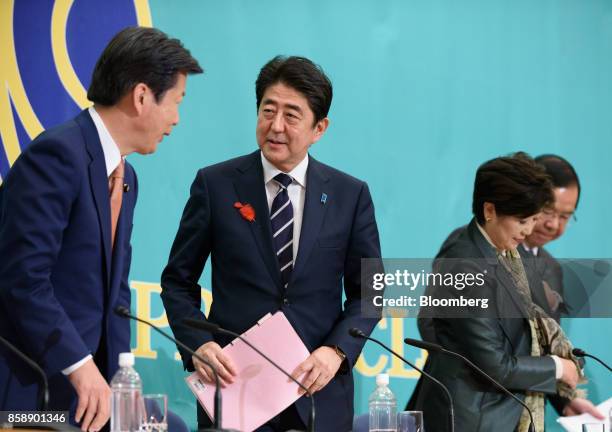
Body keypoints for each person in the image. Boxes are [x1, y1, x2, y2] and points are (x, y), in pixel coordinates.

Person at [161, 55, 381, 431]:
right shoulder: (216, 185)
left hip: (318, 396)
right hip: (234, 391)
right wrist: (199, 343)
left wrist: (336, 351)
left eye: (291, 115)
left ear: (319, 127)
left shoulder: (350, 195)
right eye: (268, 111)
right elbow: (177, 282)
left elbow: (371, 292)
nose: (275, 126)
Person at [0, 26, 202, 431]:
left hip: (92, 392)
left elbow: (116, 296)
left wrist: (121, 381)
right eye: (176, 102)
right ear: (142, 96)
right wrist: (79, 366)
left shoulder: (125, 178)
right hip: (32, 391)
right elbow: (23, 279)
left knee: (168, 425)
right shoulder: (58, 155)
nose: (177, 119)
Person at [409, 153, 590, 432]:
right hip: (470, 417)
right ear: (490, 210)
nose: (531, 229)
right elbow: (493, 364)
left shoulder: (527, 261)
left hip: (510, 413)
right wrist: (555, 367)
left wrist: (564, 400)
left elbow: (528, 346)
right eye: (525, 220)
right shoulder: (466, 260)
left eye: (535, 218)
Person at [522, 155, 581, 320]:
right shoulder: (485, 252)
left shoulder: (553, 268)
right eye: (547, 210)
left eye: (564, 216)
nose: (553, 224)